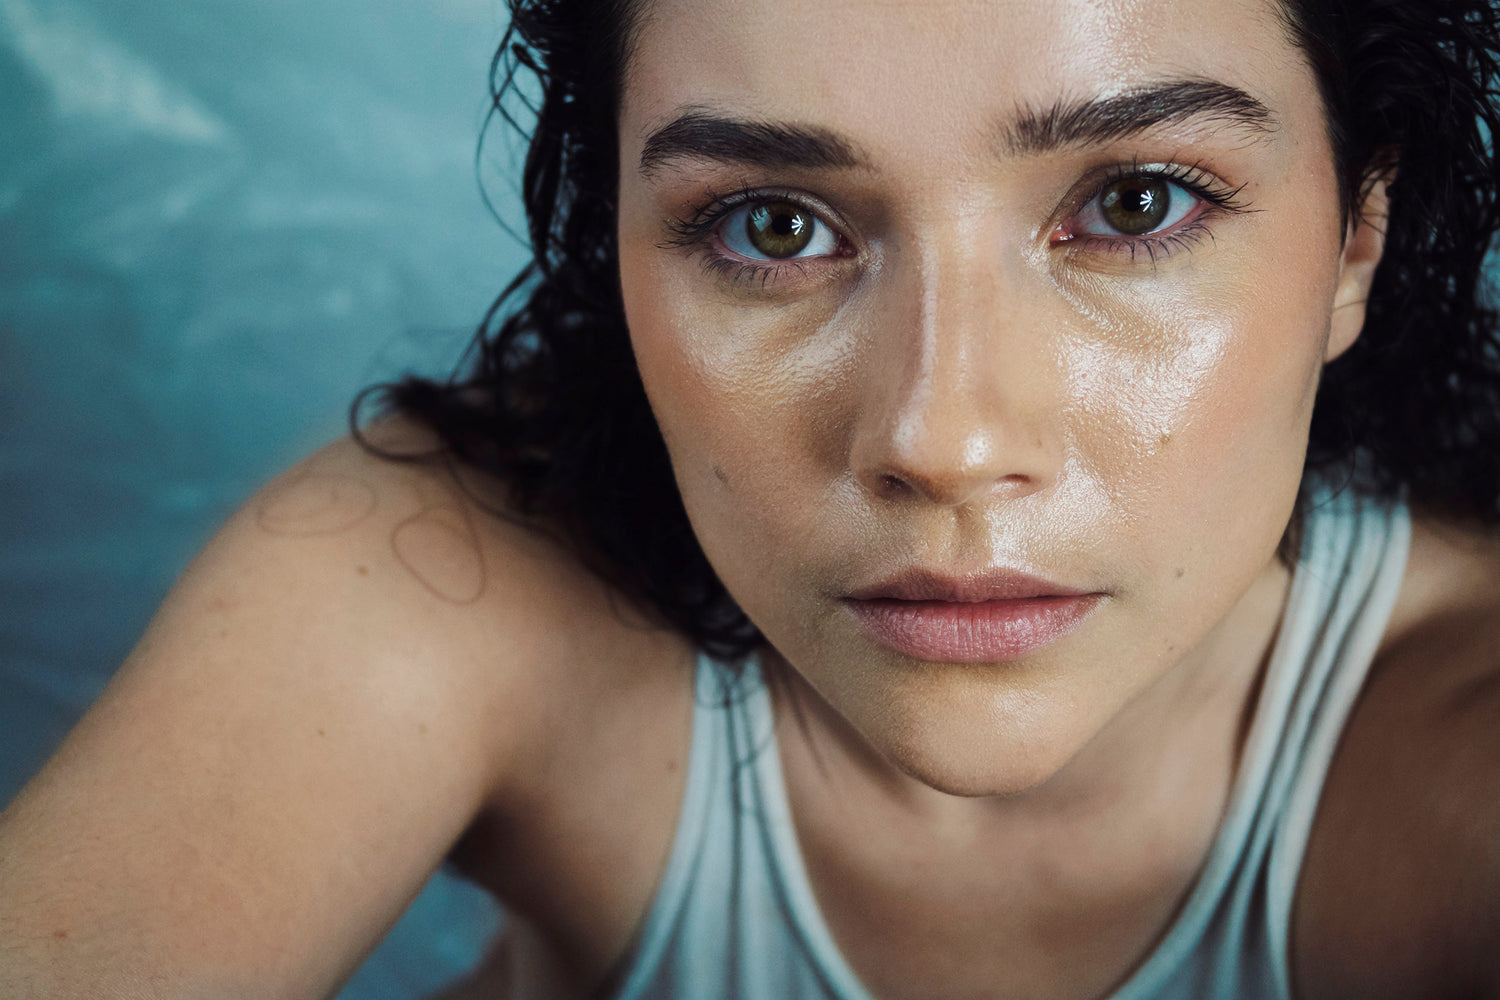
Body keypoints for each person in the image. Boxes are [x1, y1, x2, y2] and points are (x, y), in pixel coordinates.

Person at [4, 0, 1500, 996]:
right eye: (772, 225)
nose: (943, 436)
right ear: (618, 250)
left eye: (1135, 203)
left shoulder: (1455, 754)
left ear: (1356, 236)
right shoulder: (451, 582)